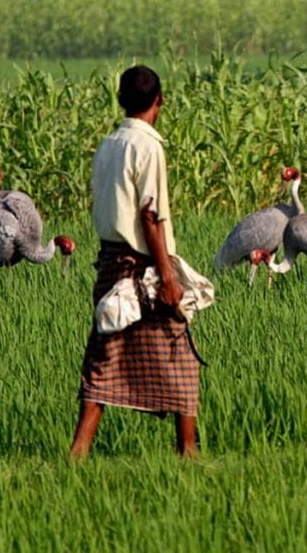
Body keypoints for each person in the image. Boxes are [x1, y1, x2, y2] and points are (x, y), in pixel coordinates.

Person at [70, 65, 200, 459]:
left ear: (120, 100)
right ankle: (188, 452)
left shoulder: (108, 144)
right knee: (180, 358)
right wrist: (167, 276)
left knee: (104, 360)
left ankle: (78, 453)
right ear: (160, 100)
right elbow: (150, 215)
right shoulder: (149, 146)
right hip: (142, 268)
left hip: (110, 264)